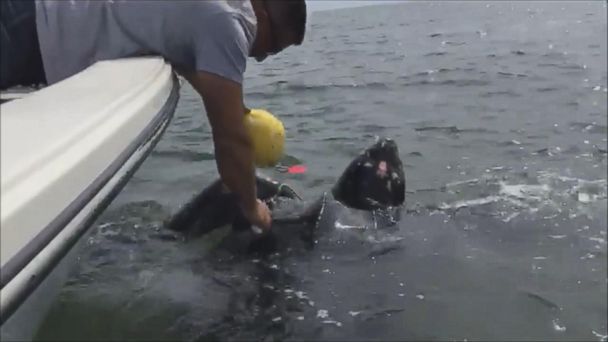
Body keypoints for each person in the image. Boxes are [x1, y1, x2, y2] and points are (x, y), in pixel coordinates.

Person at [0, 0, 307, 231]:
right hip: (30, 31)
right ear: (264, 16)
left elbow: (187, 59)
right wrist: (251, 207)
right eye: (273, 47)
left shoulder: (217, 9)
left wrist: (236, 111)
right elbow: (230, 139)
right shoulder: (232, 23)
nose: (261, 57)